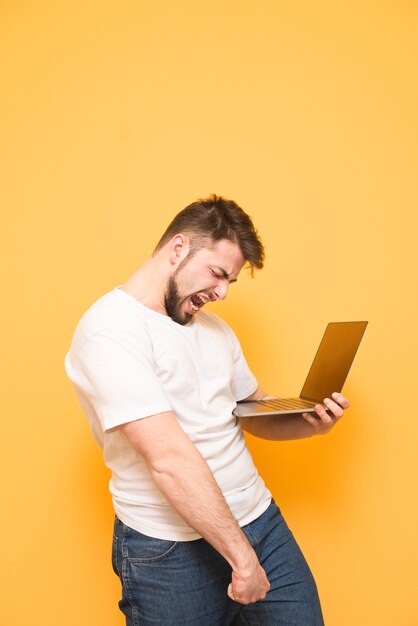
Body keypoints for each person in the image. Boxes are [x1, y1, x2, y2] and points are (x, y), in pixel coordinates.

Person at [65, 195, 349, 625]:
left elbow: (249, 411)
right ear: (178, 249)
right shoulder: (109, 332)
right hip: (169, 552)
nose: (220, 293)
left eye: (230, 283)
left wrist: (308, 420)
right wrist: (243, 559)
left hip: (258, 521)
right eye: (218, 274)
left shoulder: (215, 329)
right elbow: (170, 462)